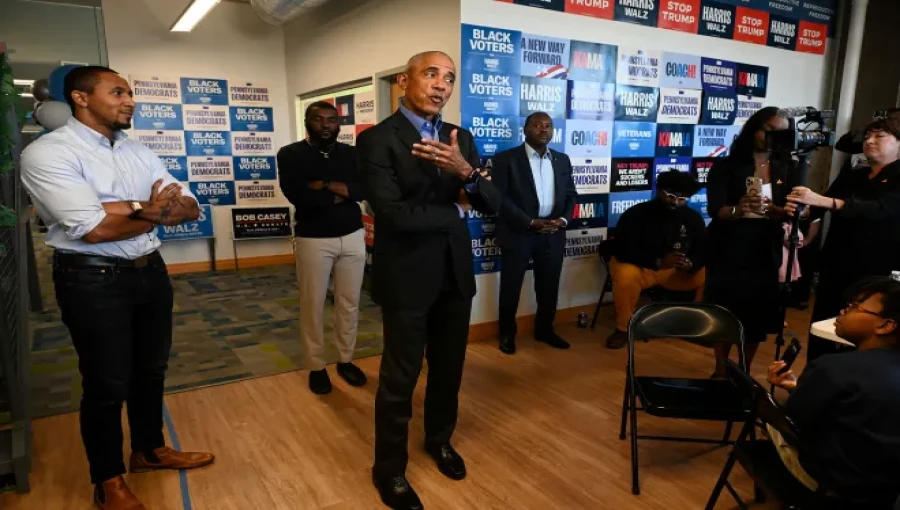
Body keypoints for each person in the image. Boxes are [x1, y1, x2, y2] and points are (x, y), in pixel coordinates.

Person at [20, 66, 214, 510]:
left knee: (151, 371)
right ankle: (108, 480)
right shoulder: (49, 153)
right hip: (91, 280)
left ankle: (149, 450)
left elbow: (188, 206)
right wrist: (145, 208)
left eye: (131, 93)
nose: (130, 100)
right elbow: (91, 230)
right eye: (118, 92)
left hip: (151, 272)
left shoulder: (139, 150)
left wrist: (138, 210)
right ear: (80, 98)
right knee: (107, 383)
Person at [357, 51, 500, 510]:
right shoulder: (378, 139)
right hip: (406, 277)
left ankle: (438, 440)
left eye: (450, 78)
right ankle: (390, 469)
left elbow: (489, 202)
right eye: (431, 74)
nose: (441, 85)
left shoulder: (463, 138)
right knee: (400, 376)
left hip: (454, 275)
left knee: (449, 369)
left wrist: (466, 175)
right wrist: (455, 208)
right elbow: (391, 213)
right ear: (404, 81)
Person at [767, 277, 900, 508]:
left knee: (769, 417)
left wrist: (803, 391)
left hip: (839, 484)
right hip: (889, 488)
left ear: (885, 325)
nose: (842, 311)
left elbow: (797, 421)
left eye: (853, 307)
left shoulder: (832, 368)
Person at [786, 116, 900, 361]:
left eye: (879, 136)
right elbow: (820, 206)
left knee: (863, 332)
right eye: (868, 136)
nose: (870, 141)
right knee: (824, 327)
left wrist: (824, 201)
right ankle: (815, 379)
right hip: (836, 264)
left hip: (877, 269)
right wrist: (803, 209)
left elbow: (879, 209)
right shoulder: (854, 176)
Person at [277, 101, 367, 395]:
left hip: (353, 235)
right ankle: (316, 366)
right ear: (307, 122)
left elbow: (362, 190)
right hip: (313, 239)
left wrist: (324, 184)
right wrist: (343, 192)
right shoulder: (291, 154)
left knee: (349, 302)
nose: (326, 125)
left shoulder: (352, 154)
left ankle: (346, 359)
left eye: (331, 119)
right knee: (313, 304)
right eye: (319, 120)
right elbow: (299, 197)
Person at [705, 107, 796, 378]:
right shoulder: (726, 166)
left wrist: (775, 211)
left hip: (765, 248)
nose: (773, 137)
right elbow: (715, 209)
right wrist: (738, 209)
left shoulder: (788, 167)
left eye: (780, 132)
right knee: (725, 310)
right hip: (729, 246)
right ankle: (721, 369)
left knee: (756, 315)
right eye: (769, 130)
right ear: (753, 129)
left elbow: (794, 210)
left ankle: (744, 368)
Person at [491, 112, 577, 355]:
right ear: (525, 129)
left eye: (548, 126)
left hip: (552, 232)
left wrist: (562, 220)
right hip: (518, 232)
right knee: (511, 286)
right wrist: (529, 222)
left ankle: (545, 329)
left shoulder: (562, 160)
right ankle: (507, 333)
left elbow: (571, 194)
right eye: (537, 125)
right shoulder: (506, 159)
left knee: (549, 285)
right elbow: (500, 199)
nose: (543, 130)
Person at [605, 170, 707, 349]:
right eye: (670, 196)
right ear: (659, 191)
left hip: (674, 271)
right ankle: (623, 329)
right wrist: (657, 262)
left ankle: (696, 325)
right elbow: (622, 250)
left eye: (682, 198)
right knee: (625, 274)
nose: (675, 202)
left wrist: (691, 263)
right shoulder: (636, 214)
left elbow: (703, 250)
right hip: (642, 268)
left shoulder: (693, 218)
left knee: (711, 273)